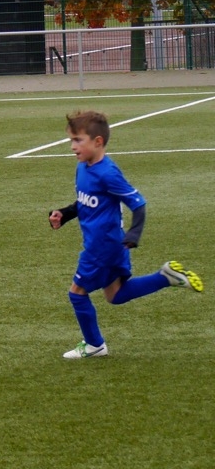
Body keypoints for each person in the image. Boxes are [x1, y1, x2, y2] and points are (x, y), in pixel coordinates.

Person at [49, 110, 203, 359]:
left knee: (76, 293)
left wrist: (134, 233)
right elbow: (86, 202)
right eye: (71, 140)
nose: (72, 146)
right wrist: (65, 214)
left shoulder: (108, 173)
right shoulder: (83, 167)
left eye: (78, 140)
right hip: (108, 245)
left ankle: (94, 345)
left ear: (97, 141)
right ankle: (165, 277)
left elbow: (138, 203)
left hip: (103, 247)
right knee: (115, 295)